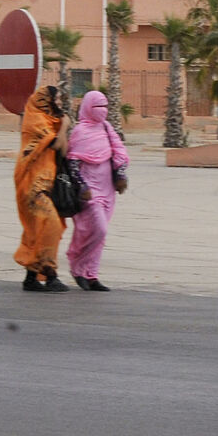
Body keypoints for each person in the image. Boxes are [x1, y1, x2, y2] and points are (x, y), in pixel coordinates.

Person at [65, 90, 129, 292]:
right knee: (97, 229)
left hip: (107, 188)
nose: (103, 111)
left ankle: (92, 275)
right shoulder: (80, 132)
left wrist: (121, 174)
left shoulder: (107, 128)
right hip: (89, 190)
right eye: (98, 107)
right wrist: (81, 186)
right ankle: (77, 267)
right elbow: (72, 162)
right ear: (87, 108)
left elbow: (119, 153)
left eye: (105, 106)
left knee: (100, 236)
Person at [13, 86, 71, 292]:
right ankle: (50, 273)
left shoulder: (53, 121)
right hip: (32, 185)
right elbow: (55, 144)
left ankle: (31, 277)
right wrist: (65, 126)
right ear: (45, 101)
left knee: (39, 231)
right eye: (57, 99)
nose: (60, 104)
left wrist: (62, 126)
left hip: (48, 183)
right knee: (50, 225)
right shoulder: (35, 120)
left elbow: (63, 151)